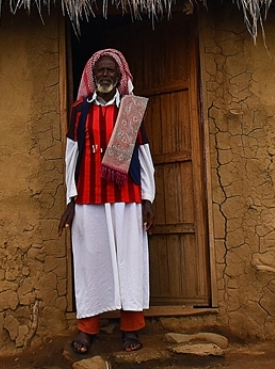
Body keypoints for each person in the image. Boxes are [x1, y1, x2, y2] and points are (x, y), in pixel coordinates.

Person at [58, 49, 155, 354]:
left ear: (119, 75)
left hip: (127, 197)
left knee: (130, 261)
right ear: (92, 75)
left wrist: (147, 197)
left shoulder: (130, 110)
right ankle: (87, 329)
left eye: (110, 70)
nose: (105, 74)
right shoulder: (79, 111)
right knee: (91, 262)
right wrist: (71, 197)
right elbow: (71, 155)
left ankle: (131, 328)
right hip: (88, 198)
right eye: (100, 70)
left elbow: (143, 153)